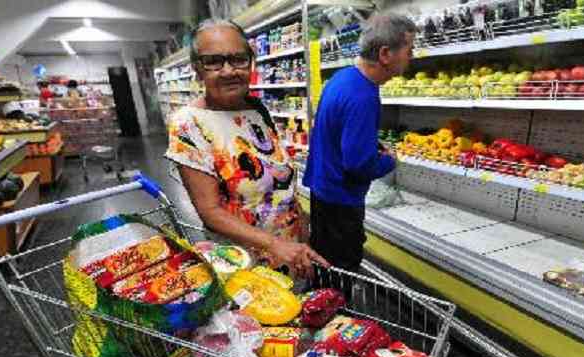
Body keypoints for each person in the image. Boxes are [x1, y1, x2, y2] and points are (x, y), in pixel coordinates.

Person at [165, 19, 327, 279]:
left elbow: (278, 185)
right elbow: (210, 212)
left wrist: (303, 232)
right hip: (244, 266)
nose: (229, 71)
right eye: (214, 61)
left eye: (238, 59)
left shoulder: (256, 108)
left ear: (251, 62)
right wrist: (274, 244)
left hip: (292, 254)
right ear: (197, 69)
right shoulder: (188, 124)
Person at [303, 13, 416, 272]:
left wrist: (368, 144)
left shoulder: (344, 78)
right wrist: (389, 160)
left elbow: (338, 134)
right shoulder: (363, 95)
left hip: (323, 193)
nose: (412, 57)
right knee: (341, 271)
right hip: (341, 203)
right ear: (386, 54)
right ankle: (338, 312)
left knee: (324, 264)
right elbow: (357, 164)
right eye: (409, 50)